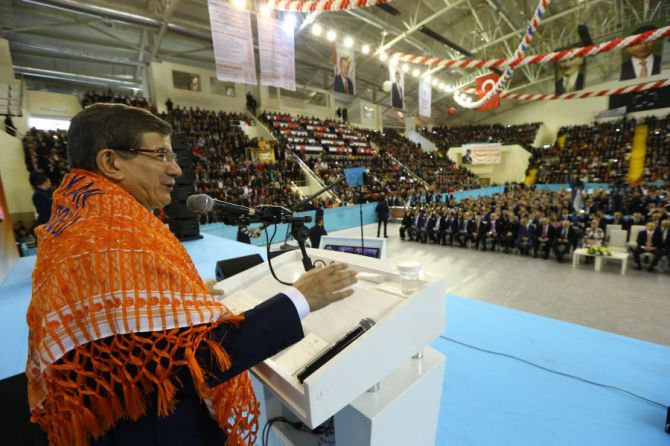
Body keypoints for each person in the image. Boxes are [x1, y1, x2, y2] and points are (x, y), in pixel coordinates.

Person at [25, 104, 358, 446]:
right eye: (160, 154)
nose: (175, 167)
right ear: (111, 162)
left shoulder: (79, 223)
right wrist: (301, 298)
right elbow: (191, 361)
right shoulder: (110, 238)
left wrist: (184, 300)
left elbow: (118, 323)